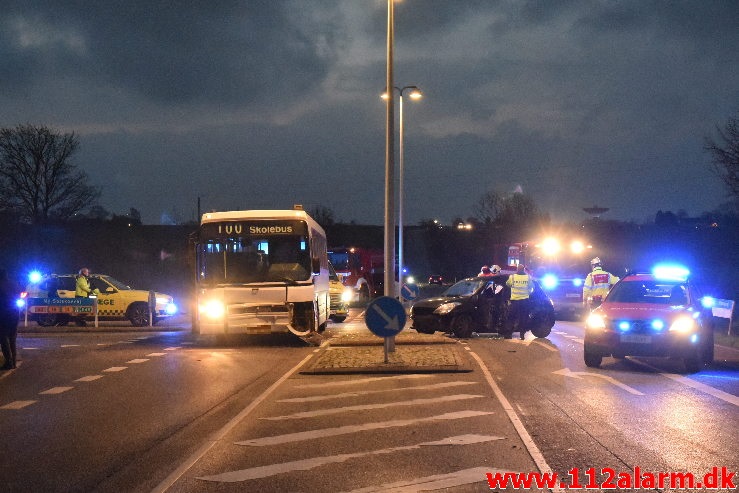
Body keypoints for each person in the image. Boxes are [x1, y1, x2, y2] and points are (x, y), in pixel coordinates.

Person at [505, 263, 532, 339]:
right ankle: (522, 335)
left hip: (515, 301)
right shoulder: (528, 277)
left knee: (511, 317)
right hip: (524, 301)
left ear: (517, 270)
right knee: (523, 318)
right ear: (523, 270)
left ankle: (509, 334)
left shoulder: (512, 277)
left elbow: (507, 284)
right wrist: (528, 292)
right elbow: (532, 287)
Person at [0, 269, 20, 370]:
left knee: (3, 338)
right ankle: (14, 362)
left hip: (4, 314)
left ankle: (8, 361)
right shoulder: (14, 284)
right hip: (15, 313)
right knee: (12, 339)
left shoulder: (1, 285)